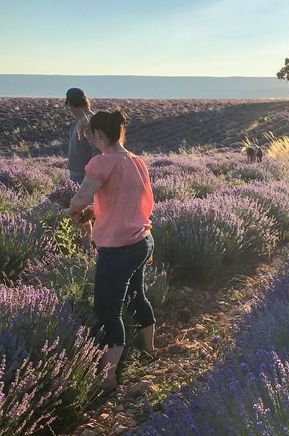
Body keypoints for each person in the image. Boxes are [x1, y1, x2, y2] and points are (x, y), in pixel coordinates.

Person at [67, 110, 155, 392]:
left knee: (107, 309)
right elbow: (127, 199)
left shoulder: (101, 163)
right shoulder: (137, 161)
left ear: (100, 135)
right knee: (136, 295)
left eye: (93, 135)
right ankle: (149, 349)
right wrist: (97, 211)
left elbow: (81, 196)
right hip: (142, 239)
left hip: (119, 248)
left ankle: (108, 377)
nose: (92, 139)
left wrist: (74, 209)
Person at [65, 88, 99, 183]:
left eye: (69, 105)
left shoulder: (89, 122)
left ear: (72, 104)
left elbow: (96, 150)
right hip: (79, 173)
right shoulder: (81, 120)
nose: (70, 109)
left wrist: (91, 174)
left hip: (84, 175)